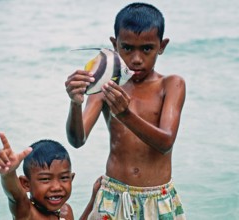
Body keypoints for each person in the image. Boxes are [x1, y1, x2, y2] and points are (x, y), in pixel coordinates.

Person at [65, 2, 186, 220]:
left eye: (147, 48)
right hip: (114, 195)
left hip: (157, 198)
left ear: (162, 46)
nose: (137, 58)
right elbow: (77, 139)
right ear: (115, 44)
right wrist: (75, 103)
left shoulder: (171, 85)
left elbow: (166, 142)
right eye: (127, 47)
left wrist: (125, 115)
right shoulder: (106, 86)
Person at [0, 132, 75, 220]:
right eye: (45, 179)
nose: (57, 187)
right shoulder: (27, 213)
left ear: (71, 178)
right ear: (26, 184)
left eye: (64, 177)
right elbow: (16, 196)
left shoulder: (66, 212)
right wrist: (8, 173)